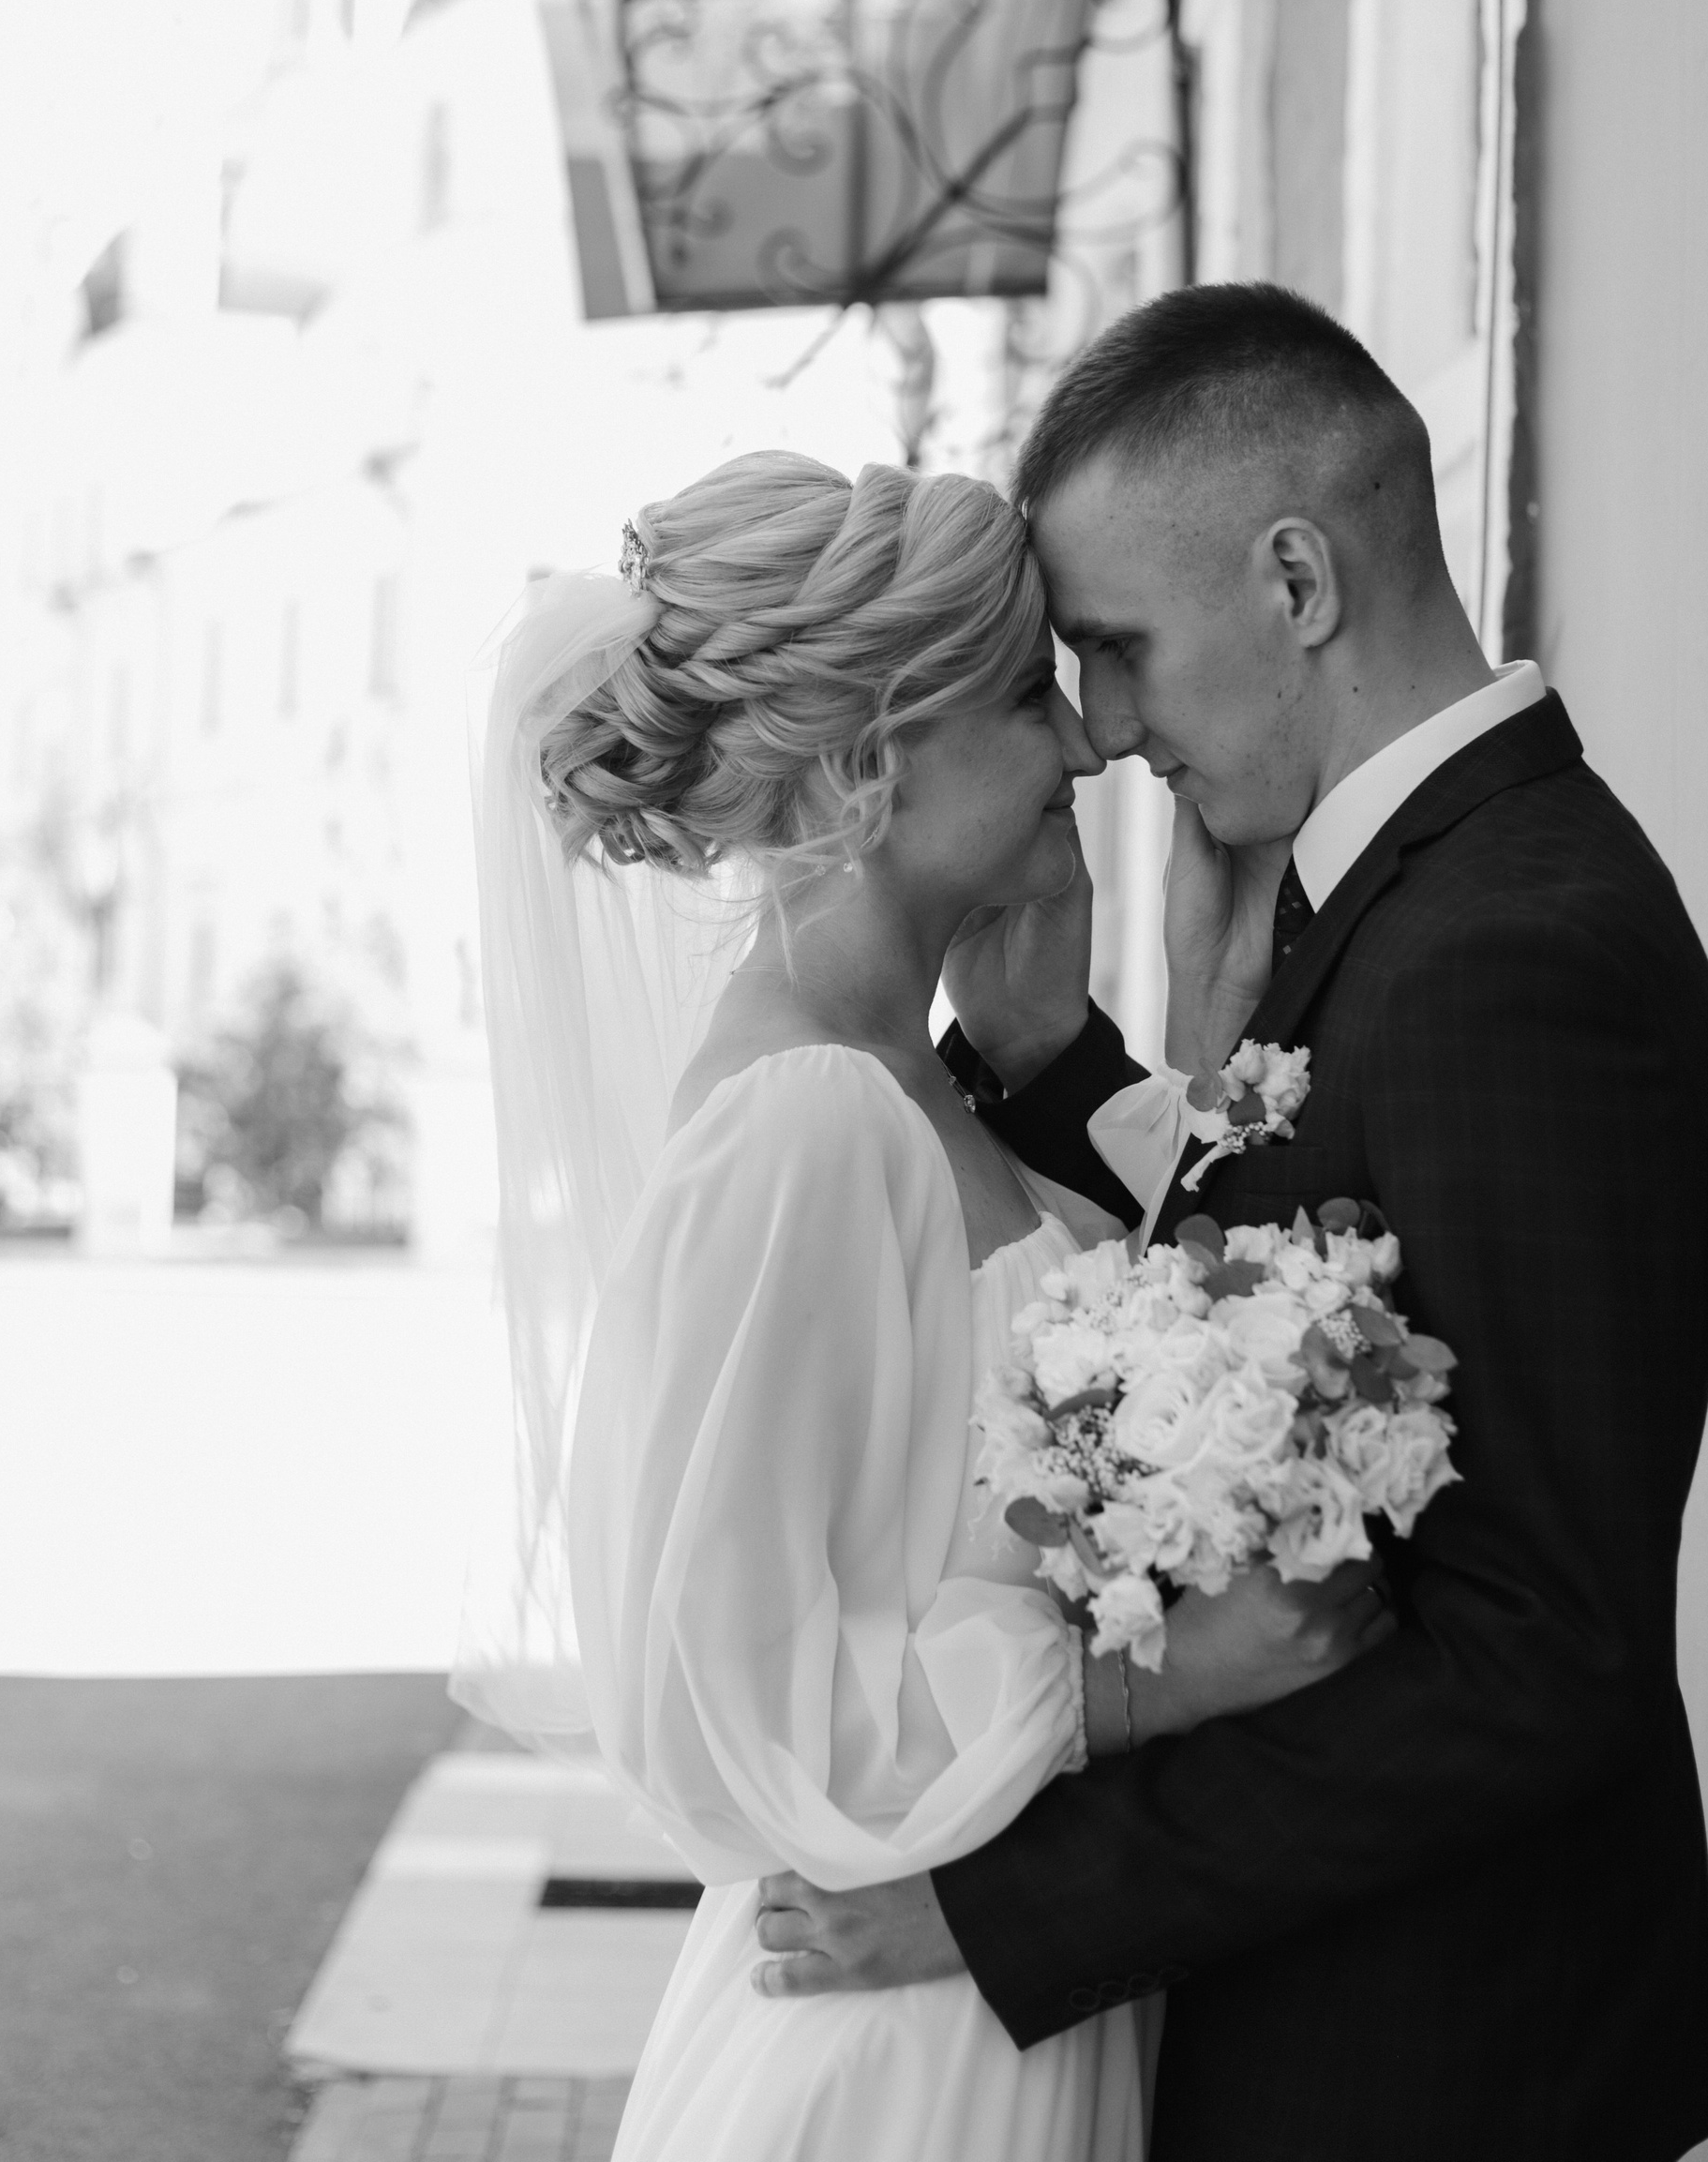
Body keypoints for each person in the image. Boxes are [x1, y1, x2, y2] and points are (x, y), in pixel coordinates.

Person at [752, 284, 1708, 2162]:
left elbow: (1535, 1655)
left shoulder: (1508, 948)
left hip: (1441, 2065)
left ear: (1295, 581)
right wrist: (1068, 1063)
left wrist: (995, 1905)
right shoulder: (1404, 899)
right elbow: (1303, 1302)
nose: (1104, 730)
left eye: (1116, 648)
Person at [468, 448, 1386, 2162]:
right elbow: (713, 1720)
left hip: (1013, 2005)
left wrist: (1153, 1034)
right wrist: (1146, 1689)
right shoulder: (801, 1126)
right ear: (872, 761)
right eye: (1032, 695)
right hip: (888, 2055)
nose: (1090, 747)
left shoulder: (916, 1084)